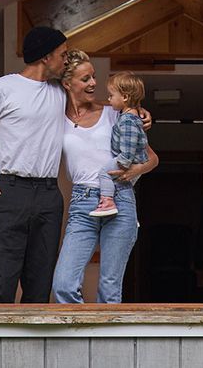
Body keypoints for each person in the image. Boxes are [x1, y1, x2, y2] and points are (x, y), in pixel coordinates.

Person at [0, 25, 68, 303]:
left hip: (48, 195)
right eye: (63, 54)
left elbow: (95, 106)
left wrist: (136, 113)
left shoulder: (61, 92)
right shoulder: (1, 88)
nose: (66, 60)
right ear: (46, 57)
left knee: (40, 283)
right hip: (8, 192)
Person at [52, 51, 158, 304]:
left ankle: (103, 343)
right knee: (63, 285)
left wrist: (135, 171)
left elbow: (152, 159)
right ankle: (80, 340)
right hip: (82, 203)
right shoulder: (56, 119)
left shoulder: (114, 113)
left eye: (94, 77)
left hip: (120, 199)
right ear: (68, 84)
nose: (93, 83)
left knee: (110, 289)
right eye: (85, 78)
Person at [89, 70, 149, 218]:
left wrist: (123, 162)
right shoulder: (129, 116)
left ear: (125, 97)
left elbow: (129, 145)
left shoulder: (128, 120)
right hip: (130, 160)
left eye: (111, 95)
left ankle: (107, 201)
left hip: (128, 160)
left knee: (104, 173)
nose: (108, 99)